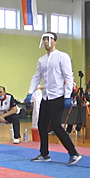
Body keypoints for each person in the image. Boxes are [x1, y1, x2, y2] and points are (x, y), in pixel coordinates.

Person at [25, 32, 82, 165]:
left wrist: (68, 96)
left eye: (49, 39)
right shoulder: (42, 60)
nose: (46, 42)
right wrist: (30, 92)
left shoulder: (62, 57)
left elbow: (68, 77)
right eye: (44, 39)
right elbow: (37, 77)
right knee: (41, 125)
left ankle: (74, 153)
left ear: (55, 41)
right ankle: (44, 154)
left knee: (56, 125)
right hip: (47, 96)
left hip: (58, 96)